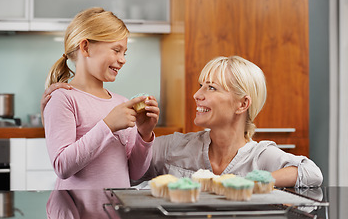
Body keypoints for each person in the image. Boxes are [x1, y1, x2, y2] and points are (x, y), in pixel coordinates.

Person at [42, 55, 323, 188]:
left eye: (211, 88)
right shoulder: (178, 146)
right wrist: (65, 100)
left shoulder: (260, 156)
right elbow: (121, 164)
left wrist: (248, 181)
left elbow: (311, 173)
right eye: (201, 85)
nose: (197, 95)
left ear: (242, 104)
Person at [42, 7, 160, 190]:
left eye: (124, 52)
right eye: (116, 50)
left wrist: (143, 134)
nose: (123, 59)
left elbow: (135, 173)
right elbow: (62, 167)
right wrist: (108, 126)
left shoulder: (121, 103)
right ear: (86, 47)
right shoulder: (63, 98)